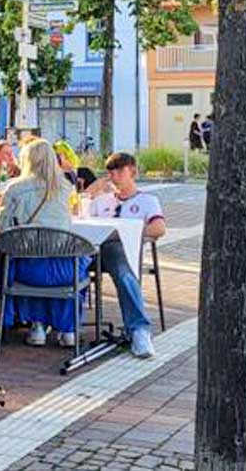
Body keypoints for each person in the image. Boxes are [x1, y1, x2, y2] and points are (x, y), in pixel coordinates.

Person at [0, 139, 85, 348]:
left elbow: (2, 228)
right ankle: (68, 329)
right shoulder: (65, 188)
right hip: (64, 270)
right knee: (77, 261)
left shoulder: (14, 189)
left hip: (27, 270)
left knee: (28, 259)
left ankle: (37, 327)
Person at [84, 152, 163, 358]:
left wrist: (130, 231)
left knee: (122, 265)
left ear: (133, 172)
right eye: (110, 171)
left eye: (119, 170)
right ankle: (58, 325)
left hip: (121, 250)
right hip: (91, 248)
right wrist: (92, 191)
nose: (114, 175)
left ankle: (139, 329)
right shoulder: (101, 201)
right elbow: (80, 215)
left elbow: (159, 228)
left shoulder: (147, 201)